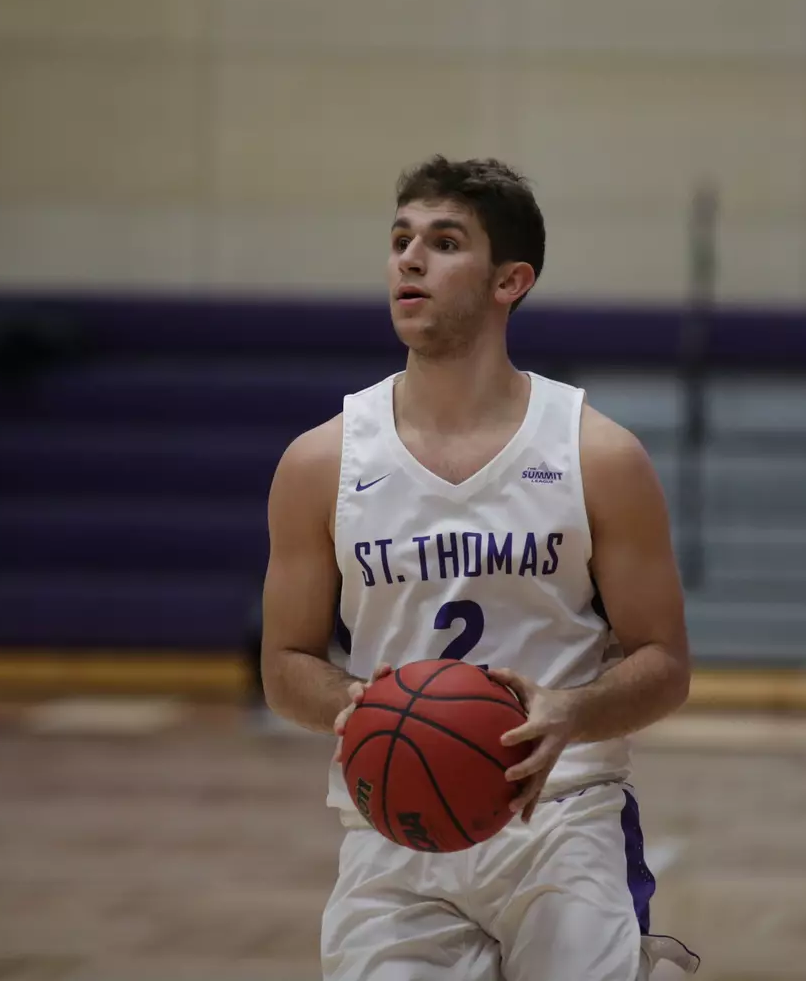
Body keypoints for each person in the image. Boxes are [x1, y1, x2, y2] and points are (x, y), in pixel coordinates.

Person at [261, 156, 700, 981]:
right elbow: (284, 666)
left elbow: (666, 665)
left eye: (444, 241)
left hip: (562, 816)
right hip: (394, 827)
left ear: (512, 280)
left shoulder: (597, 454)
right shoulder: (321, 461)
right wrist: (357, 706)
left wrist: (571, 709)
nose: (410, 259)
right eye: (400, 240)